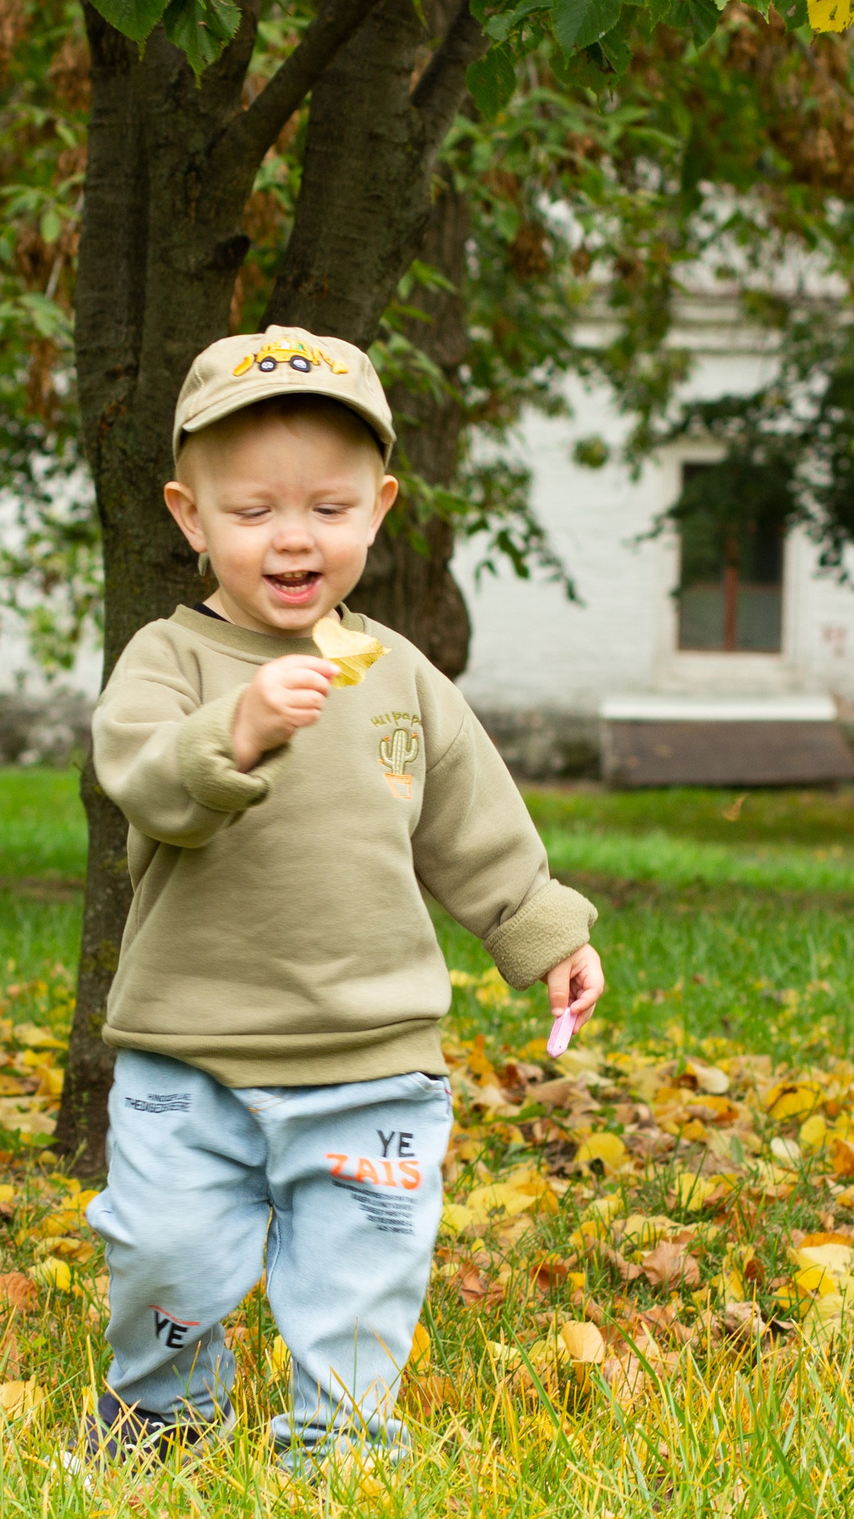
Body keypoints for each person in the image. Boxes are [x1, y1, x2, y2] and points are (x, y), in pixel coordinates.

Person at [78, 325, 605, 1469]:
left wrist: (541, 930)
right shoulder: (168, 661)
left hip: (373, 1056)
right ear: (189, 518)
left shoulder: (401, 675)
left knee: (362, 1270)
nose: (293, 536)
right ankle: (162, 1412)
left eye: (327, 507)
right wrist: (237, 728)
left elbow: (473, 825)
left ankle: (339, 1442)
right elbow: (147, 781)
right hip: (190, 1050)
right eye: (253, 509)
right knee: (165, 1254)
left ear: (378, 509)